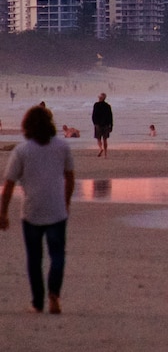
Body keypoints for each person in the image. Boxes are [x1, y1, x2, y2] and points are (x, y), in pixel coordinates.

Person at [0, 105, 75, 314]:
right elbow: (70, 177)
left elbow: (9, 184)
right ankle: (54, 295)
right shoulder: (62, 146)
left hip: (31, 211)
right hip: (57, 209)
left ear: (27, 126)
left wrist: (3, 212)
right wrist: (66, 200)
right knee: (57, 254)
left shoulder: (22, 150)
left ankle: (37, 302)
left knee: (34, 258)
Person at [91, 93, 113, 157]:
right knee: (105, 139)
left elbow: (94, 115)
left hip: (98, 124)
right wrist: (111, 125)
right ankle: (105, 154)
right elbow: (110, 117)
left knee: (98, 138)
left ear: (100, 98)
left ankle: (100, 148)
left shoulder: (96, 105)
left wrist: (95, 123)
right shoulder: (108, 106)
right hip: (106, 124)